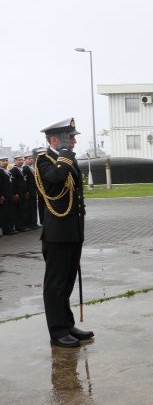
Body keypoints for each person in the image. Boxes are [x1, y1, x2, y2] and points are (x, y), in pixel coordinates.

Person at [36, 118, 93, 348]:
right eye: (70, 138)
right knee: (56, 285)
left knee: (68, 281)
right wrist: (65, 157)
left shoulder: (66, 159)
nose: (74, 141)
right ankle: (57, 331)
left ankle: (67, 325)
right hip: (57, 234)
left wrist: (66, 157)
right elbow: (54, 181)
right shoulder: (44, 160)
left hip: (73, 231)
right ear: (54, 140)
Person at [10, 154, 31, 232]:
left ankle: (23, 225)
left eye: (22, 160)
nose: (21, 161)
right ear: (15, 161)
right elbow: (13, 183)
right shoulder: (13, 170)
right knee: (18, 210)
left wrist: (26, 191)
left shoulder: (21, 169)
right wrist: (15, 193)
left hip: (23, 193)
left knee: (23, 209)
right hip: (18, 193)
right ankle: (19, 226)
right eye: (19, 160)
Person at [23, 153, 40, 228]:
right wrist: (26, 191)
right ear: (25, 160)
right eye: (29, 158)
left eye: (32, 158)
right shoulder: (25, 168)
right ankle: (30, 224)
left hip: (33, 189)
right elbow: (25, 181)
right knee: (30, 207)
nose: (31, 160)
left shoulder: (32, 168)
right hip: (29, 189)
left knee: (34, 206)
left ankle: (34, 223)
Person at [0, 156, 13, 236]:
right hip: (3, 195)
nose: (5, 162)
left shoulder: (6, 171)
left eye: (6, 160)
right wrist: (0, 195)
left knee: (9, 212)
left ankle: (9, 229)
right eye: (3, 161)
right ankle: (5, 230)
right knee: (4, 213)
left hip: (9, 194)